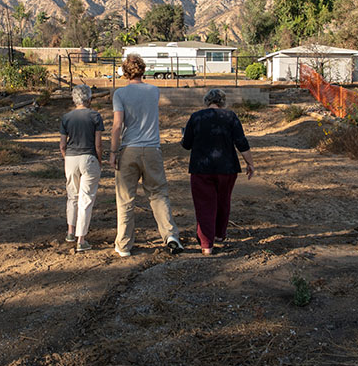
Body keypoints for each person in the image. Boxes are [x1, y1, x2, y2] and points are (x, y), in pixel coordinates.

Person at [109, 54, 183, 257]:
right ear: (143, 70)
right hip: (152, 149)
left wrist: (113, 152)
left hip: (128, 149)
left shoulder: (120, 94)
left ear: (125, 72)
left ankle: (123, 245)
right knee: (158, 193)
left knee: (125, 199)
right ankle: (170, 236)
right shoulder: (154, 90)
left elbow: (117, 126)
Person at [180, 88, 254, 255]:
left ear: (207, 101)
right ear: (223, 102)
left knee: (205, 205)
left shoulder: (196, 117)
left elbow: (187, 144)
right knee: (223, 201)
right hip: (227, 168)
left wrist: (183, 137)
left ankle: (207, 245)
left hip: (201, 168)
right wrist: (250, 163)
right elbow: (241, 142)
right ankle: (220, 235)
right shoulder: (231, 116)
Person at [60, 84, 104, 253]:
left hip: (71, 158)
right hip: (89, 157)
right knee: (86, 199)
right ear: (89, 99)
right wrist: (99, 161)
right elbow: (98, 144)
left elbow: (62, 144)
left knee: (72, 196)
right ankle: (81, 239)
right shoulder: (95, 116)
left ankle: (70, 231)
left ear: (74, 99)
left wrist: (67, 158)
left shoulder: (66, 117)